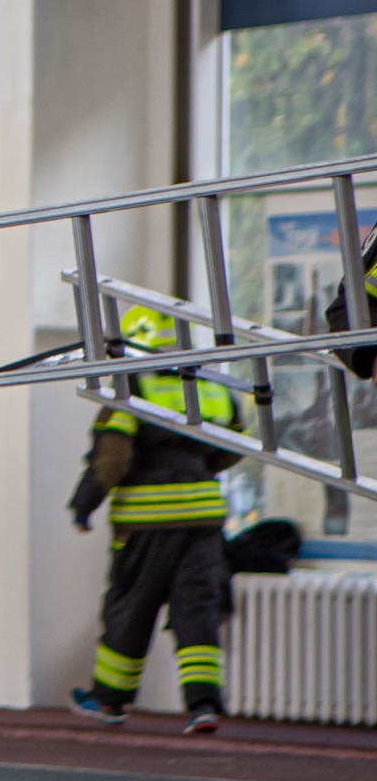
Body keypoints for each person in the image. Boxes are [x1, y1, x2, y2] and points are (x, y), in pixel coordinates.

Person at [66, 305, 242, 735]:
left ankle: (109, 701)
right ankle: (203, 705)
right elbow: (236, 445)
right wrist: (194, 471)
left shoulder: (133, 389)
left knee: (130, 608)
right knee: (196, 609)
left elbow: (114, 458)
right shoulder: (206, 386)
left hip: (147, 524)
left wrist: (84, 504)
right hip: (203, 520)